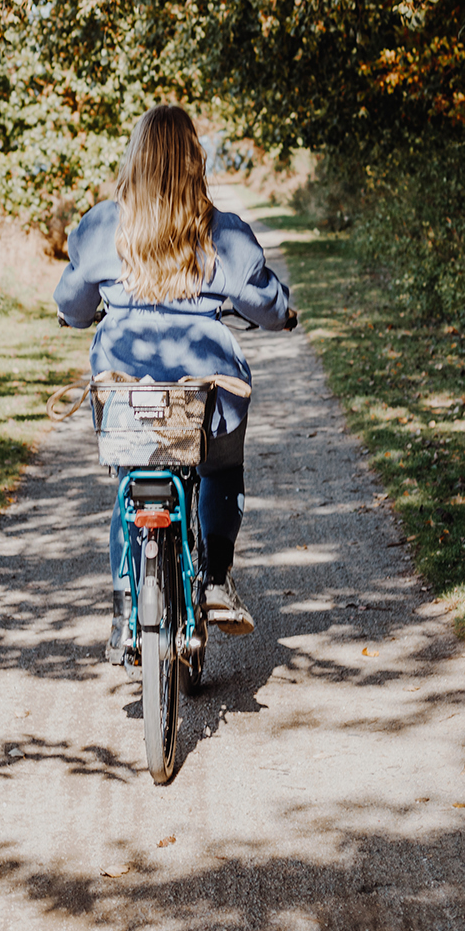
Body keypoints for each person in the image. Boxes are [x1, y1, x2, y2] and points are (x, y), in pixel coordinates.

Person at [54, 104, 298, 659]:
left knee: (130, 476)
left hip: (125, 384)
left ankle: (123, 609)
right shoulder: (222, 231)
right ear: (195, 161)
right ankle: (213, 579)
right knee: (219, 465)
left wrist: (73, 316)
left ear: (134, 160)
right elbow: (261, 298)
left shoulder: (101, 227)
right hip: (202, 386)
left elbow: (71, 300)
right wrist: (283, 314)